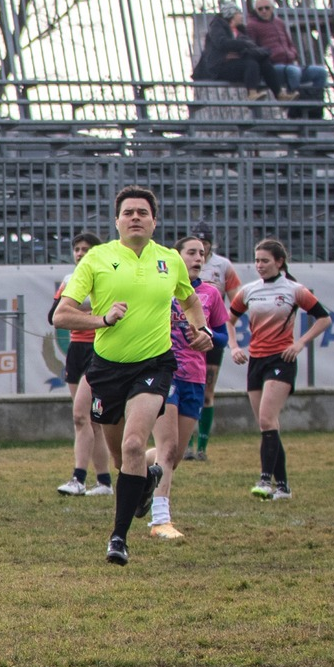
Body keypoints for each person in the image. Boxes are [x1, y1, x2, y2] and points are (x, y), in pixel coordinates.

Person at [52, 185, 210, 565]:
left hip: (154, 364)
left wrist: (199, 329)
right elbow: (61, 314)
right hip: (106, 368)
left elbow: (189, 299)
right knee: (125, 460)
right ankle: (146, 478)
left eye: (143, 212)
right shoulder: (96, 259)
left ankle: (118, 539)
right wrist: (101, 319)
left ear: (154, 221)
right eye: (128, 212)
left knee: (135, 445)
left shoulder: (169, 260)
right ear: (117, 220)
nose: (135, 217)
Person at [229, 237, 332, 500]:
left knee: (266, 419)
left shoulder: (294, 290)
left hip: (281, 361)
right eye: (257, 260)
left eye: (265, 261)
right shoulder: (249, 290)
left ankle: (265, 481)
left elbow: (324, 318)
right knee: (268, 425)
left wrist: (299, 344)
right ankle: (283, 487)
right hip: (256, 361)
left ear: (279, 262)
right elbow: (228, 320)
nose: (259, 265)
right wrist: (234, 347)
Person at [145, 236, 230, 540]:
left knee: (174, 455)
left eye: (202, 254)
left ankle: (138, 465)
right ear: (177, 257)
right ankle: (160, 520)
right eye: (191, 253)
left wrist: (208, 338)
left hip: (195, 376)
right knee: (167, 449)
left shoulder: (210, 294)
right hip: (164, 373)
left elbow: (222, 335)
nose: (198, 258)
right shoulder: (162, 286)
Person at [52, 231, 115, 497]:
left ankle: (79, 479)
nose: (80, 253)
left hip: (98, 348)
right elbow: (53, 315)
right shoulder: (70, 280)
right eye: (77, 249)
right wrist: (91, 315)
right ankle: (103, 481)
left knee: (84, 416)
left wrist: (85, 316)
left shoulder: (107, 276)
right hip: (76, 350)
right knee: (88, 420)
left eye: (86, 249)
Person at [185, 225, 243, 461]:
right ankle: (185, 445)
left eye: (205, 242)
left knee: (207, 391)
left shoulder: (223, 266)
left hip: (210, 335)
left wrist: (224, 324)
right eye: (197, 242)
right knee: (185, 388)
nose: (201, 247)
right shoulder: (180, 262)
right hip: (185, 335)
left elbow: (237, 299)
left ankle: (202, 447)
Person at [242, 0, 328, 113]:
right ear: (256, 11)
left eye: (267, 8)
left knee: (320, 72)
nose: (264, 11)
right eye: (260, 9)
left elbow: (290, 43)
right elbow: (253, 49)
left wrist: (292, 53)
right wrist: (270, 55)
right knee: (294, 72)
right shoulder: (252, 26)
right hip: (272, 68)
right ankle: (294, 110)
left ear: (272, 8)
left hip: (290, 63)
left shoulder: (279, 23)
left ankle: (316, 108)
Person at [192, 1, 283, 101]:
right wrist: (242, 45)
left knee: (264, 62)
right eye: (239, 13)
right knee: (251, 63)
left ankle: (279, 94)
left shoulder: (240, 30)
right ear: (232, 15)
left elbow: (249, 45)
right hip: (220, 67)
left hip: (235, 63)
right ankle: (252, 94)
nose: (241, 16)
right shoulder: (217, 26)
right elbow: (222, 43)